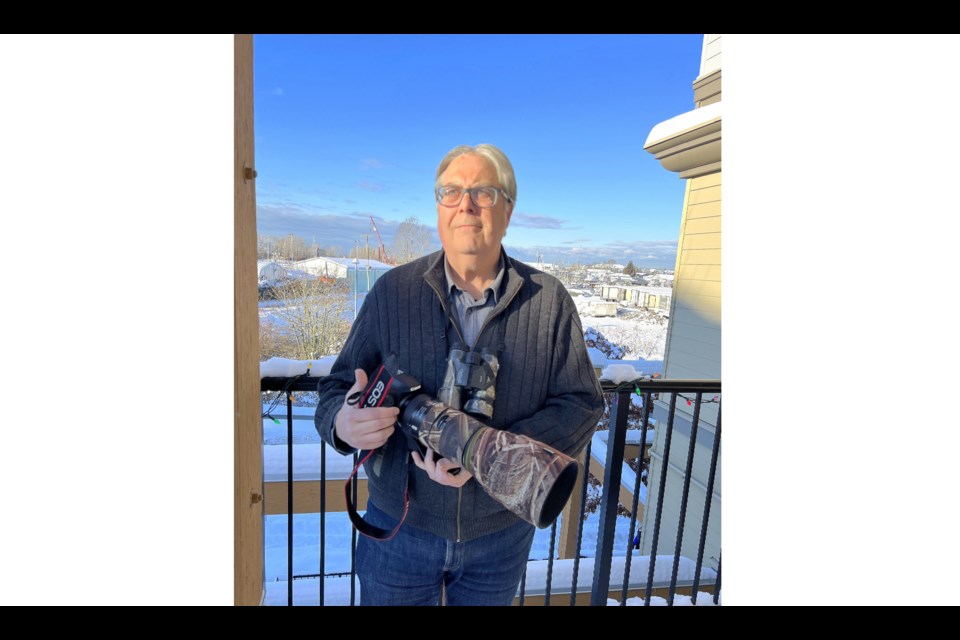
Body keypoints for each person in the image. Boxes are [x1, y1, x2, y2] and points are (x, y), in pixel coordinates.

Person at [315, 143, 603, 606]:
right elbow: (333, 389)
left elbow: (583, 402)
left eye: (483, 192)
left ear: (508, 210)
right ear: (438, 209)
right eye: (451, 192)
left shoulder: (549, 301)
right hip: (399, 528)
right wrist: (344, 425)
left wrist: (493, 457)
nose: (465, 205)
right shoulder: (394, 291)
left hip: (500, 538)